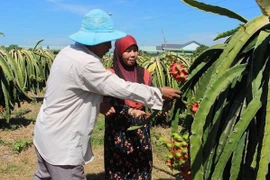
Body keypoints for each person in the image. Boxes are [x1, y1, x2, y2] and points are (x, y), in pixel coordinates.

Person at [32, 9, 181, 180]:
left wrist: (98, 104)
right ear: (95, 40)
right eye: (106, 41)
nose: (109, 46)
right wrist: (158, 92)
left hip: (47, 132)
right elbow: (120, 87)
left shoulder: (68, 51)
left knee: (43, 177)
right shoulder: (85, 63)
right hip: (62, 143)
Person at [102, 35, 157, 180]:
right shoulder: (110, 75)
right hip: (118, 130)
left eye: (135, 50)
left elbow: (152, 95)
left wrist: (164, 102)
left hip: (140, 129)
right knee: (120, 170)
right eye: (127, 51)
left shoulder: (144, 74)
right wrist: (129, 111)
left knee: (142, 167)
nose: (132, 55)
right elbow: (105, 104)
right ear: (119, 52)